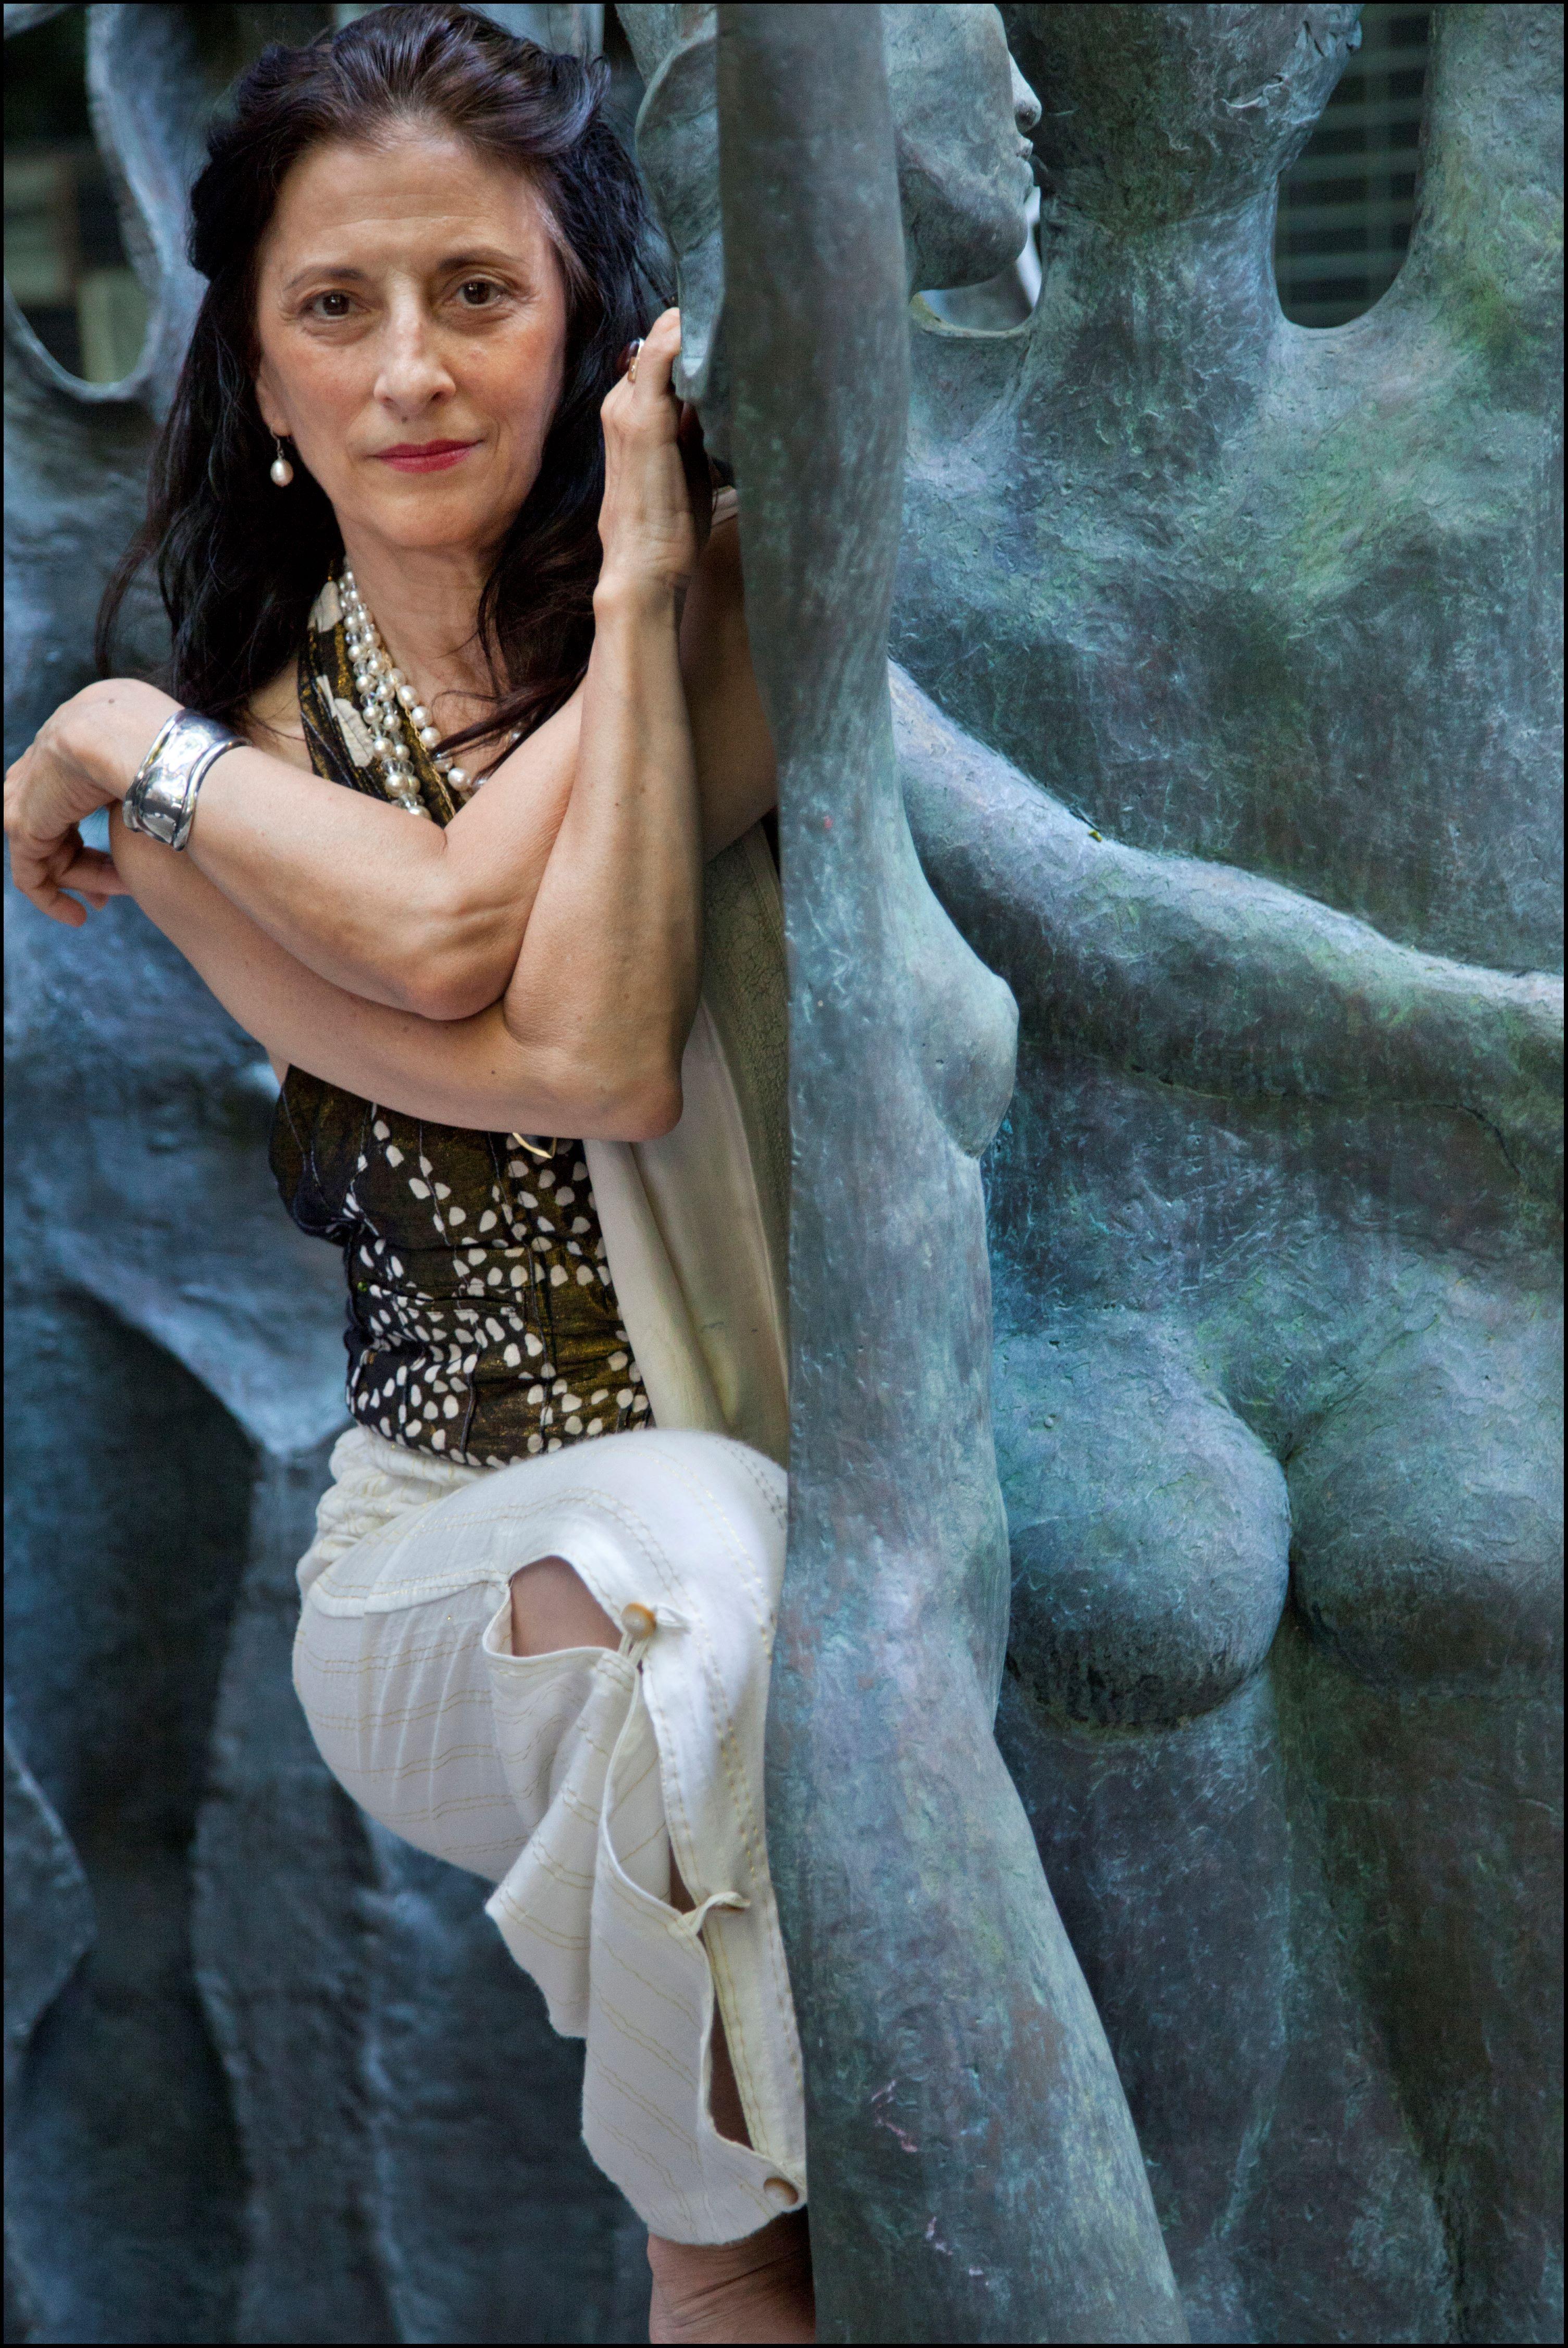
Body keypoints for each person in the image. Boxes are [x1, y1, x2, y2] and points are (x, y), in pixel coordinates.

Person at [3, 8, 811, 2340]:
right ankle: (719, 2225)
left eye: (481, 292)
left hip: (760, 1570)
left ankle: (746, 2231)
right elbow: (530, 1015)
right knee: (700, 1558)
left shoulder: (727, 592)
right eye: (333, 309)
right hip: (446, 1583)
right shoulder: (240, 757)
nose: (412, 371)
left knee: (738, 1599)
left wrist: (647, 601)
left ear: (588, 321)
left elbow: (541, 1002)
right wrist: (159, 744)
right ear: (253, 371)